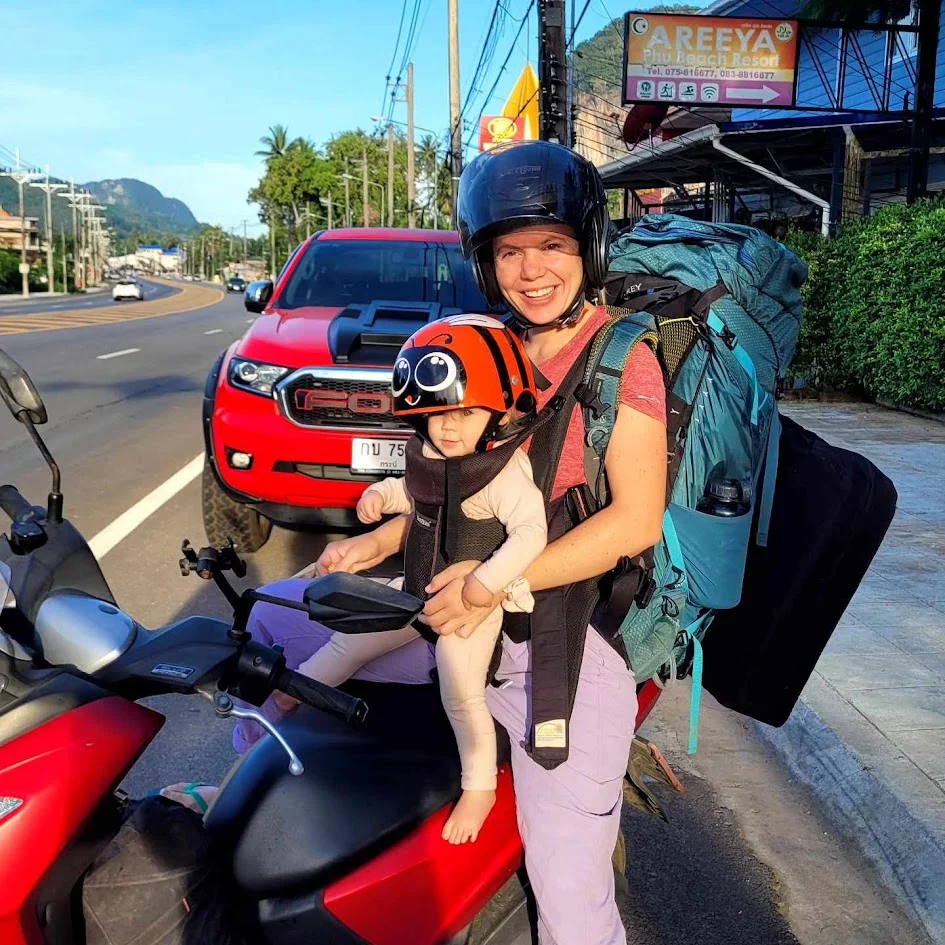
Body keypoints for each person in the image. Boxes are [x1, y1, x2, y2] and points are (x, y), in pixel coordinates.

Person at [228, 140, 666, 945]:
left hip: (558, 636)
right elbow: (462, 487)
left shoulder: (620, 359)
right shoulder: (488, 343)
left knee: (570, 902)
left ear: (588, 248)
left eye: (552, 246)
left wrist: (486, 585)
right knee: (268, 624)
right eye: (509, 251)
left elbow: (631, 522)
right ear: (483, 260)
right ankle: (253, 803)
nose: (532, 271)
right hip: (446, 606)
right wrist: (384, 539)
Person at [246, 316, 548, 844]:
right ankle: (301, 695)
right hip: (416, 590)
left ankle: (479, 786)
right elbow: (414, 491)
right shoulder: (435, 455)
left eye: (468, 413)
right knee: (351, 640)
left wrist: (482, 586)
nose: (450, 427)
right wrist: (381, 498)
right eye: (440, 415)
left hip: (468, 610)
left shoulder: (503, 473)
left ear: (499, 416)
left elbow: (530, 535)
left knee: (461, 691)